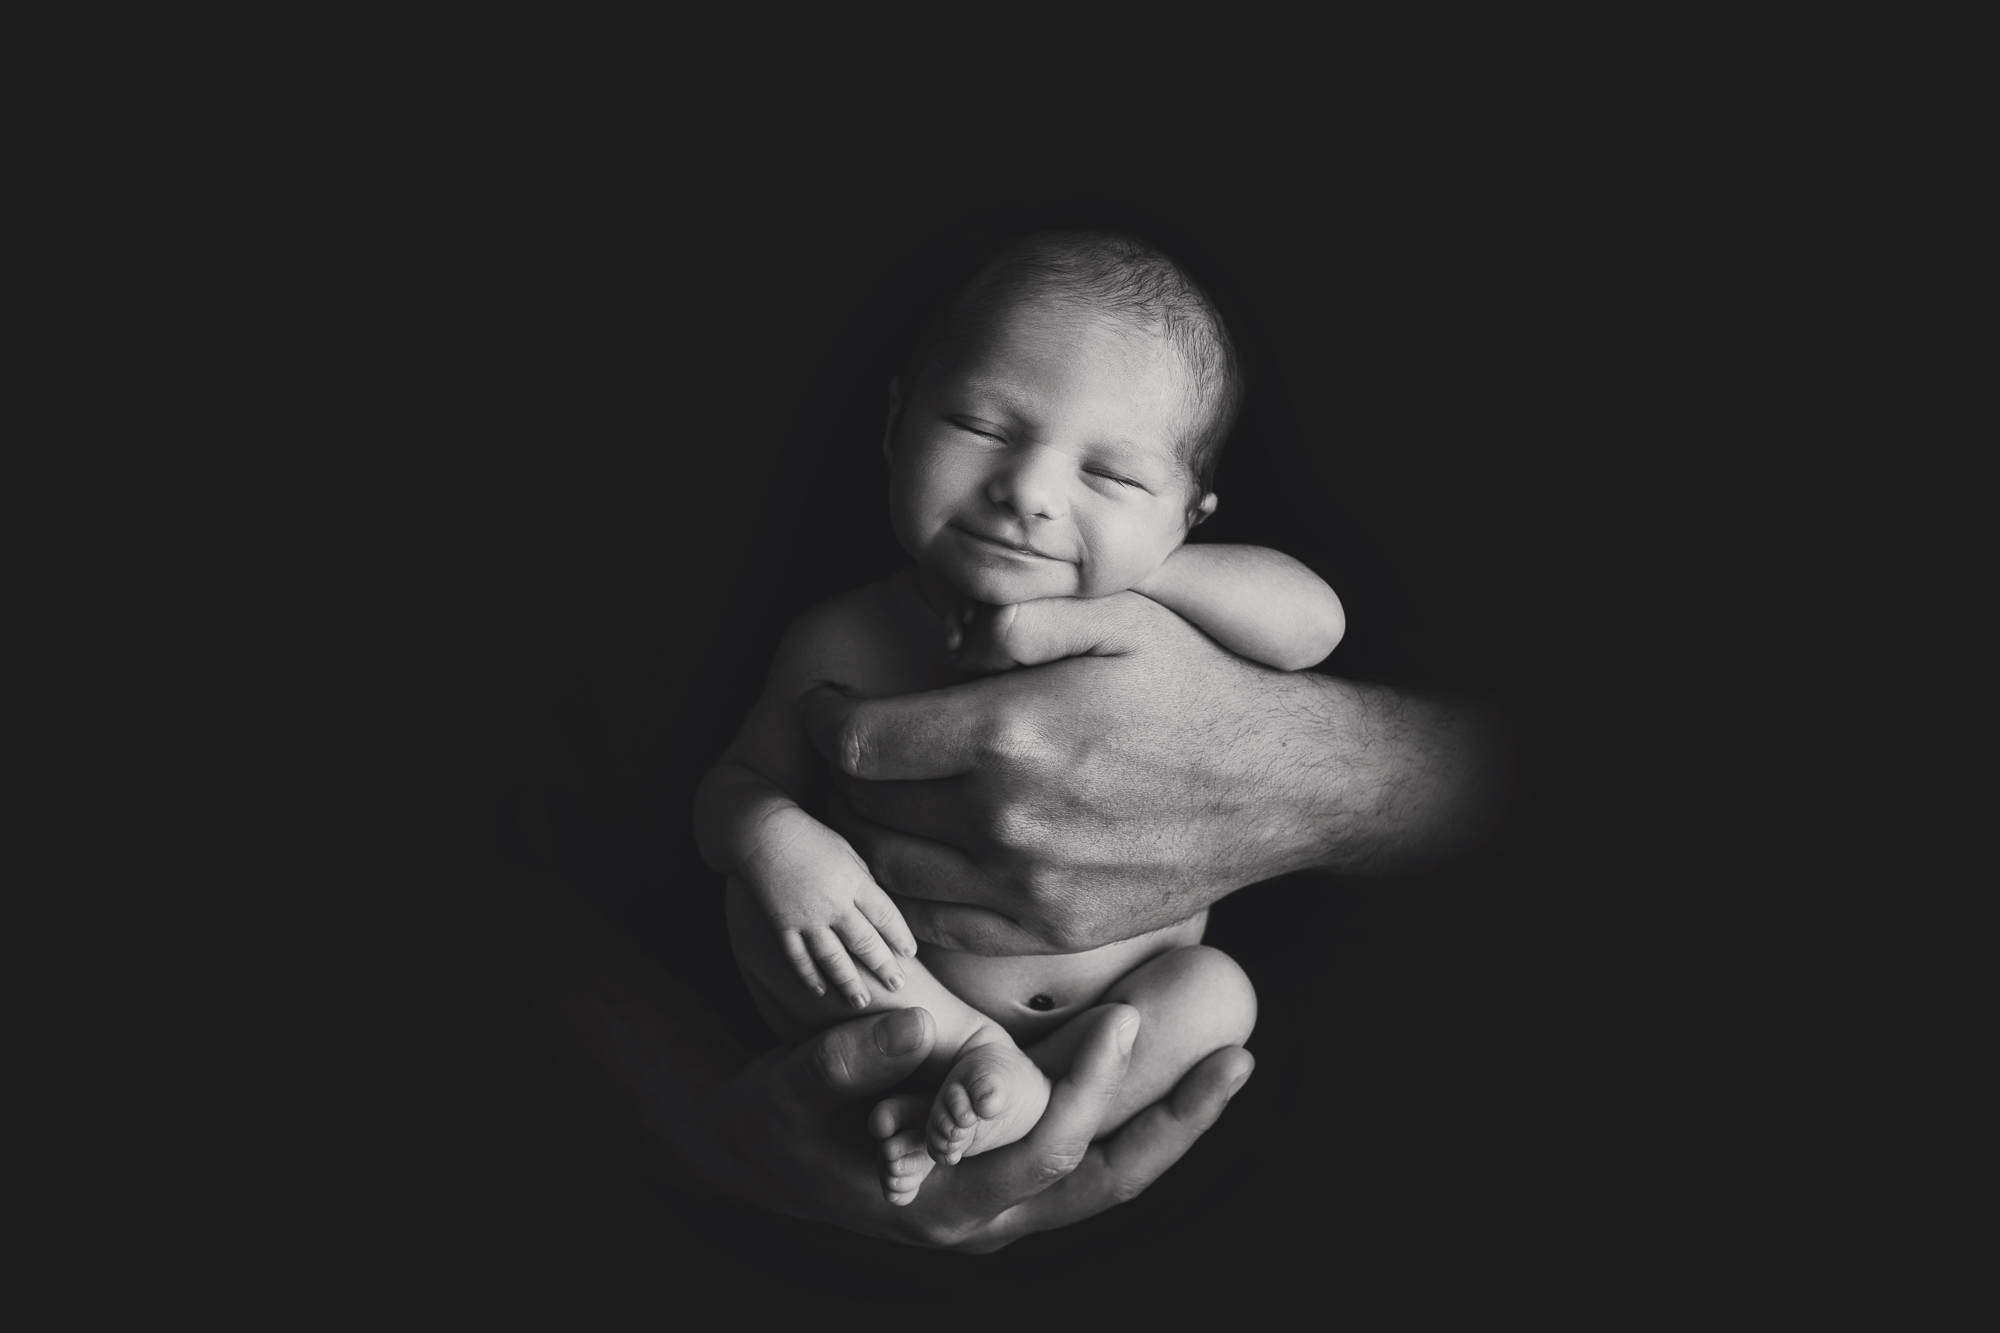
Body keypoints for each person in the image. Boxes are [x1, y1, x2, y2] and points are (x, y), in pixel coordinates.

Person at [694, 231, 1345, 1203]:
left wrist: (1141, 562)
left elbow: (1315, 626)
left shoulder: (1163, 603)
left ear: (1189, 513)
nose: (1030, 493)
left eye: (1112, 478)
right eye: (980, 424)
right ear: (894, 422)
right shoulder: (842, 638)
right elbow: (730, 791)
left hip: (1116, 1022)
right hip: (908, 1002)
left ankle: (1032, 1101)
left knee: (1220, 999)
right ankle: (963, 1064)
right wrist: (778, 842)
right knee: (761, 903)